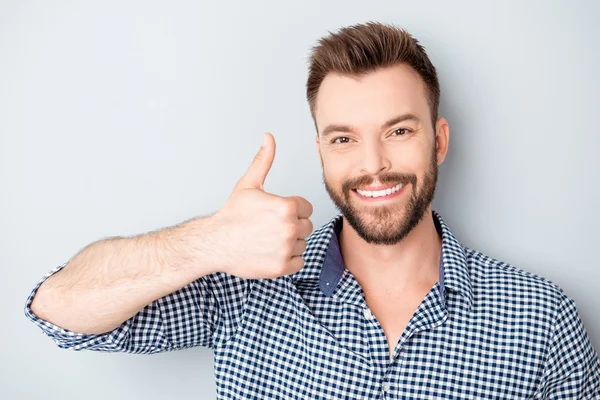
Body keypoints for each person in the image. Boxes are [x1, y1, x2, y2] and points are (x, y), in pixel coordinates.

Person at [25, 21, 599, 399]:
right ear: (321, 151)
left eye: (398, 130)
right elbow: (57, 310)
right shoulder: (243, 289)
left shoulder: (541, 320)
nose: (373, 165)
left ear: (439, 140)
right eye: (343, 139)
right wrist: (207, 243)